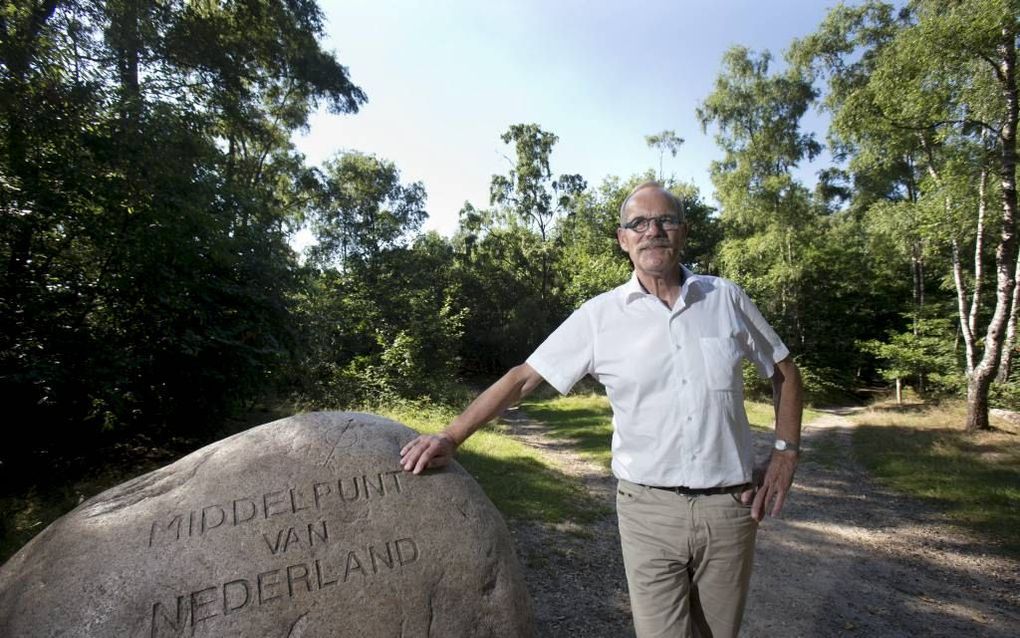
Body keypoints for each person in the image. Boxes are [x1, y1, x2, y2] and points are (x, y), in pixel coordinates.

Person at [400, 181, 802, 638]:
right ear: (623, 239)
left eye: (664, 220)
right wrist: (451, 437)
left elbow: (784, 371)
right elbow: (523, 379)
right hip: (647, 511)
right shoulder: (599, 317)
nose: (652, 231)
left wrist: (786, 452)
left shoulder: (724, 299)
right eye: (638, 223)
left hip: (731, 508)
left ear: (683, 232)